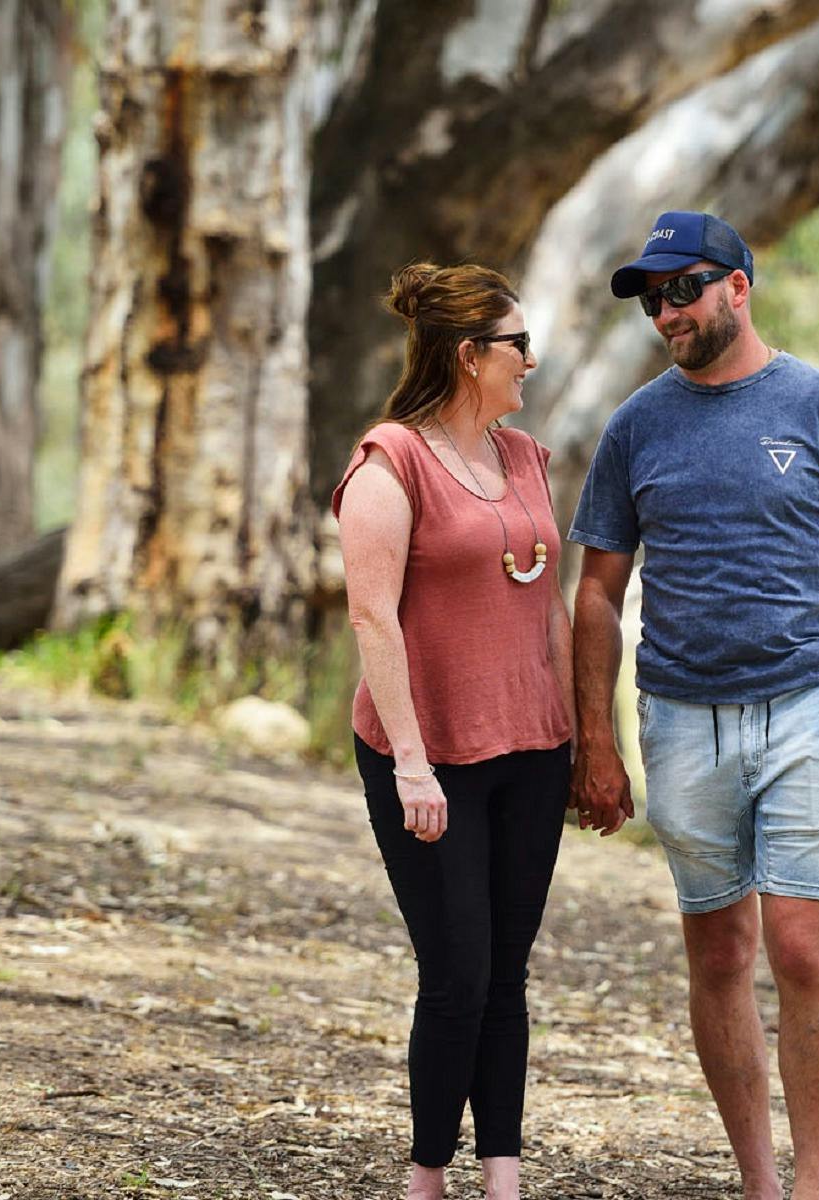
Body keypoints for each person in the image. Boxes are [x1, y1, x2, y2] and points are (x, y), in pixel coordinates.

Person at [568, 212, 819, 1200]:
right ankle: (759, 1183)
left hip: (808, 701)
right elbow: (596, 592)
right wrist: (595, 740)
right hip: (681, 716)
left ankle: (812, 1188)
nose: (666, 313)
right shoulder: (635, 427)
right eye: (652, 300)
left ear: (738, 285)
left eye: (683, 290)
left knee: (800, 944)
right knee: (720, 951)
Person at [333, 262, 574, 1200]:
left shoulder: (526, 458)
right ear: (470, 355)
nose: (531, 360)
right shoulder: (390, 463)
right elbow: (372, 617)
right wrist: (412, 765)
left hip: (532, 750)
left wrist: (582, 737)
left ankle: (502, 1178)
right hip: (430, 758)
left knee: (507, 974)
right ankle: (426, 1178)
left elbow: (551, 606)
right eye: (519, 345)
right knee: (457, 974)